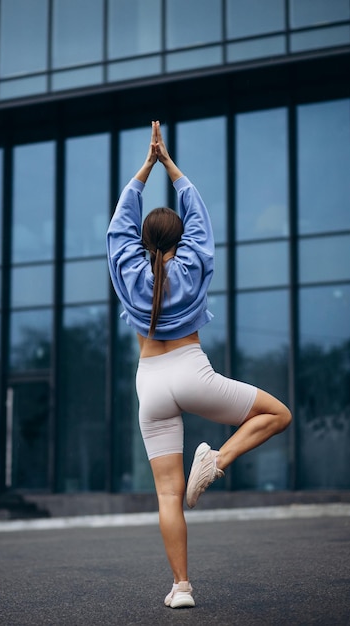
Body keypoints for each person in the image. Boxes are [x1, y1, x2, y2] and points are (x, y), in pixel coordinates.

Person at [106, 121, 292, 609]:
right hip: (191, 372)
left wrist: (143, 171)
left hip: (150, 383)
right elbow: (200, 217)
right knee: (278, 414)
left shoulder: (127, 266)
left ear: (143, 240)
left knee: (168, 495)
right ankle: (218, 460)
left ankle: (181, 587)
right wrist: (170, 166)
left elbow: (117, 227)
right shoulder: (192, 263)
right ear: (180, 239)